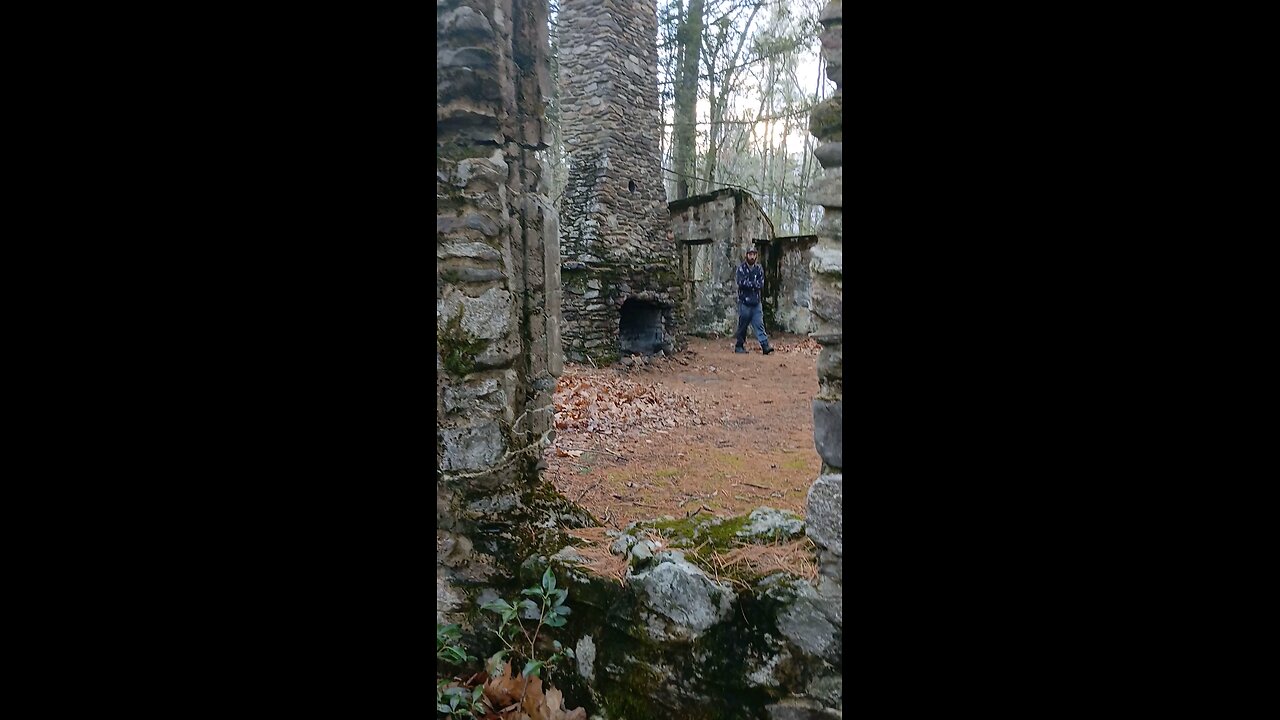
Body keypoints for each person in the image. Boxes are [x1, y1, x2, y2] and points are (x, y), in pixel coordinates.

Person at [734, 247, 773, 354]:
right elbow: (741, 283)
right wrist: (752, 285)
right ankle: (739, 346)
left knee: (759, 324)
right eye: (750, 254)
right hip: (744, 302)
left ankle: (765, 346)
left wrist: (750, 284)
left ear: (756, 256)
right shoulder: (741, 269)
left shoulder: (759, 269)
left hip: (756, 302)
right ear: (746, 255)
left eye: (754, 254)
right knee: (743, 325)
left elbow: (760, 284)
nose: (752, 256)